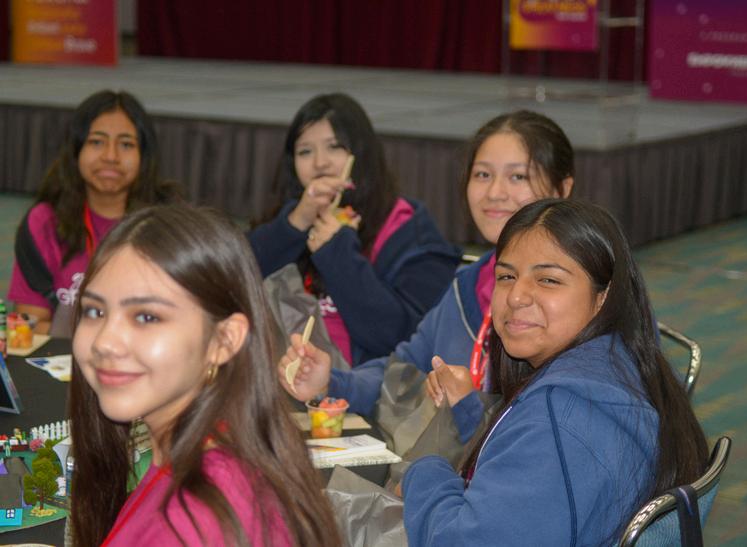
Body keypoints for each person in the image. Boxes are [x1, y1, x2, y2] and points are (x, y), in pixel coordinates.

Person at [401, 198, 709, 545]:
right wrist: (468, 410)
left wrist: (424, 471)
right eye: (506, 276)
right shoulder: (616, 365)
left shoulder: (563, 414)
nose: (516, 296)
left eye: (548, 279)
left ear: (603, 297)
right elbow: (533, 463)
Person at [279, 110, 575, 444]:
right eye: (482, 174)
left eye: (518, 176)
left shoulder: (575, 296)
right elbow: (402, 371)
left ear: (562, 188)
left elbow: (554, 435)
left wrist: (468, 410)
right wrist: (330, 382)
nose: (495, 192)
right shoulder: (467, 286)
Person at [68, 204, 340, 546]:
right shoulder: (211, 450)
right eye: (95, 311)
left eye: (147, 317)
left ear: (223, 340)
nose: (105, 342)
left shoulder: (196, 520)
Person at [249, 93, 460, 366]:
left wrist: (336, 252)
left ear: (362, 153)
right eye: (305, 151)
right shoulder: (289, 218)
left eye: (334, 147)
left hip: (359, 387)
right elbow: (235, 281)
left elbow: (401, 337)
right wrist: (294, 224)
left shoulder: (407, 229)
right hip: (276, 377)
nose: (320, 162)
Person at [8, 90, 178, 334]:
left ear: (144, 156)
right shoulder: (44, 223)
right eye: (97, 142)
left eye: (126, 144)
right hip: (64, 356)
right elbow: (28, 327)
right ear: (76, 151)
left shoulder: (170, 224)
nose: (111, 156)